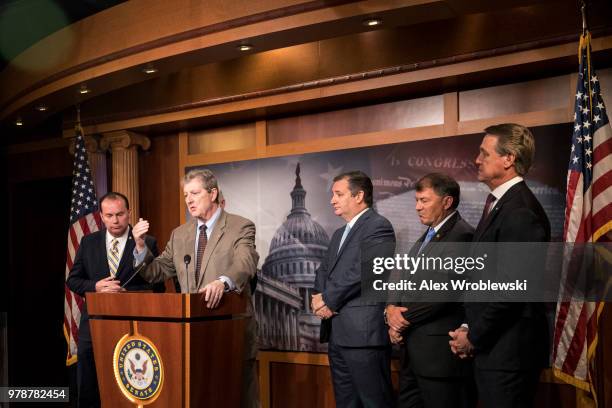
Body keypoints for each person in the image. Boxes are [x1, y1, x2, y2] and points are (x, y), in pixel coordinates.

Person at [132, 168, 259, 408]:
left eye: (194, 193)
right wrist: (139, 246)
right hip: (191, 337)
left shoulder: (240, 226)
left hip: (230, 332)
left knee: (240, 400)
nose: (188, 200)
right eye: (185, 195)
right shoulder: (180, 234)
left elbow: (245, 263)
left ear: (212, 193)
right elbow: (155, 272)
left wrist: (222, 282)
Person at [449, 123, 550, 408]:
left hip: (508, 354)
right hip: (495, 350)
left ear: (509, 159)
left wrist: (473, 336)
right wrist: (469, 325)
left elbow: (511, 290)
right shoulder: (500, 204)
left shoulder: (520, 211)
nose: (476, 160)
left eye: (484, 153)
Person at [386, 173, 475, 408]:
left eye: (424, 201)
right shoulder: (427, 236)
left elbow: (444, 294)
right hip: (413, 355)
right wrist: (391, 309)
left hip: (439, 359)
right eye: (416, 200)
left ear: (447, 202)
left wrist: (400, 319)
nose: (417, 207)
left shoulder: (462, 236)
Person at [66, 192, 158, 408]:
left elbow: (156, 284)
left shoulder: (147, 242)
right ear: (101, 216)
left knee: (129, 386)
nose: (115, 221)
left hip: (133, 326)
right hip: (93, 325)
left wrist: (126, 296)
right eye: (109, 215)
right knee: (89, 385)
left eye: (120, 214)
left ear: (129, 213)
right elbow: (74, 280)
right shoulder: (89, 242)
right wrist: (95, 286)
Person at [313, 170, 396, 408]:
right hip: (338, 333)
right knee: (346, 402)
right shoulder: (340, 233)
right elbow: (323, 270)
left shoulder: (379, 226)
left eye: (339, 194)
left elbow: (365, 271)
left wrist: (328, 300)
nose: (332, 200)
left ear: (359, 196)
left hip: (363, 335)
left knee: (374, 402)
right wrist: (318, 298)